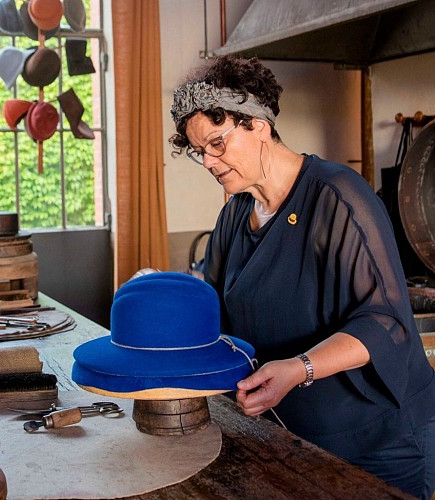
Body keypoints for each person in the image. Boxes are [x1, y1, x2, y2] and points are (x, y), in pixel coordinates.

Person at [169, 55, 435, 499]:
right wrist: (158, 293)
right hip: (294, 437)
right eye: (199, 152)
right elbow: (208, 301)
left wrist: (299, 369)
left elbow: (384, 320)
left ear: (259, 125)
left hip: (377, 442)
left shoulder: (338, 196)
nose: (210, 162)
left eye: (217, 143)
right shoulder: (236, 214)